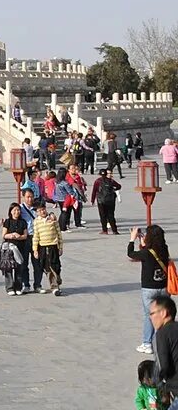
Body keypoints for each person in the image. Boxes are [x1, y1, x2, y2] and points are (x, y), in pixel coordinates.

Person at [129, 225, 172, 355]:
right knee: (163, 315)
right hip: (164, 287)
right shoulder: (164, 249)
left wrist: (132, 239)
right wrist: (143, 242)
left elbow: (131, 254)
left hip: (149, 289)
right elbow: (151, 252)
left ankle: (147, 343)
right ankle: (162, 342)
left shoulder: (146, 253)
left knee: (150, 316)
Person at [150, 295, 178, 401]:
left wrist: (158, 386)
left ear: (163, 313)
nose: (150, 317)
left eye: (152, 313)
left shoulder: (162, 334)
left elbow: (163, 366)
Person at [32, 202, 63, 296]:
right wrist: (35, 249)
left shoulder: (52, 219)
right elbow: (36, 236)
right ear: (37, 212)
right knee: (47, 267)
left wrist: (60, 247)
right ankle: (54, 287)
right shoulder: (36, 221)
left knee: (55, 265)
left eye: (43, 209)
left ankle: (57, 279)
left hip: (53, 246)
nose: (42, 211)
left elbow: (59, 233)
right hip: (43, 247)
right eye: (40, 210)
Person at [0, 203, 30, 295]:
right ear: (11, 212)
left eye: (18, 210)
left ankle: (18, 287)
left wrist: (19, 236)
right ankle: (9, 288)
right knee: (8, 268)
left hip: (21, 247)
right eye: (15, 210)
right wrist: (12, 235)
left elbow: (25, 236)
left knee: (19, 267)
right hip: (9, 248)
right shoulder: (7, 222)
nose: (17, 212)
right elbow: (4, 235)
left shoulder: (23, 222)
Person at [91, 168, 122, 234]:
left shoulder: (97, 181)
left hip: (101, 201)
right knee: (111, 215)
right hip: (110, 200)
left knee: (103, 216)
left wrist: (92, 200)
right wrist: (113, 188)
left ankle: (104, 230)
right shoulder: (111, 181)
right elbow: (119, 186)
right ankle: (114, 230)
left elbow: (94, 191)